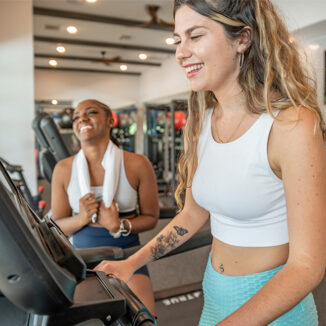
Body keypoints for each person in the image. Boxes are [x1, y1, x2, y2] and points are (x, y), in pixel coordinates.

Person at [95, 1, 326, 325]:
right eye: (178, 40)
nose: (180, 52)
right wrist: (131, 263)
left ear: (242, 39)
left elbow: (308, 265)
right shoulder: (202, 122)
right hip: (214, 294)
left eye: (195, 36)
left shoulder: (292, 125)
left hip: (275, 307)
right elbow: (192, 214)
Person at [51, 99, 159, 314]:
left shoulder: (138, 164)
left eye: (91, 112)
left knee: (144, 318)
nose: (81, 118)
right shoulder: (63, 169)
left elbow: (151, 218)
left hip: (127, 254)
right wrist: (81, 218)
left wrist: (119, 225)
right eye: (76, 116)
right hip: (82, 258)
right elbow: (56, 226)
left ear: (111, 121)